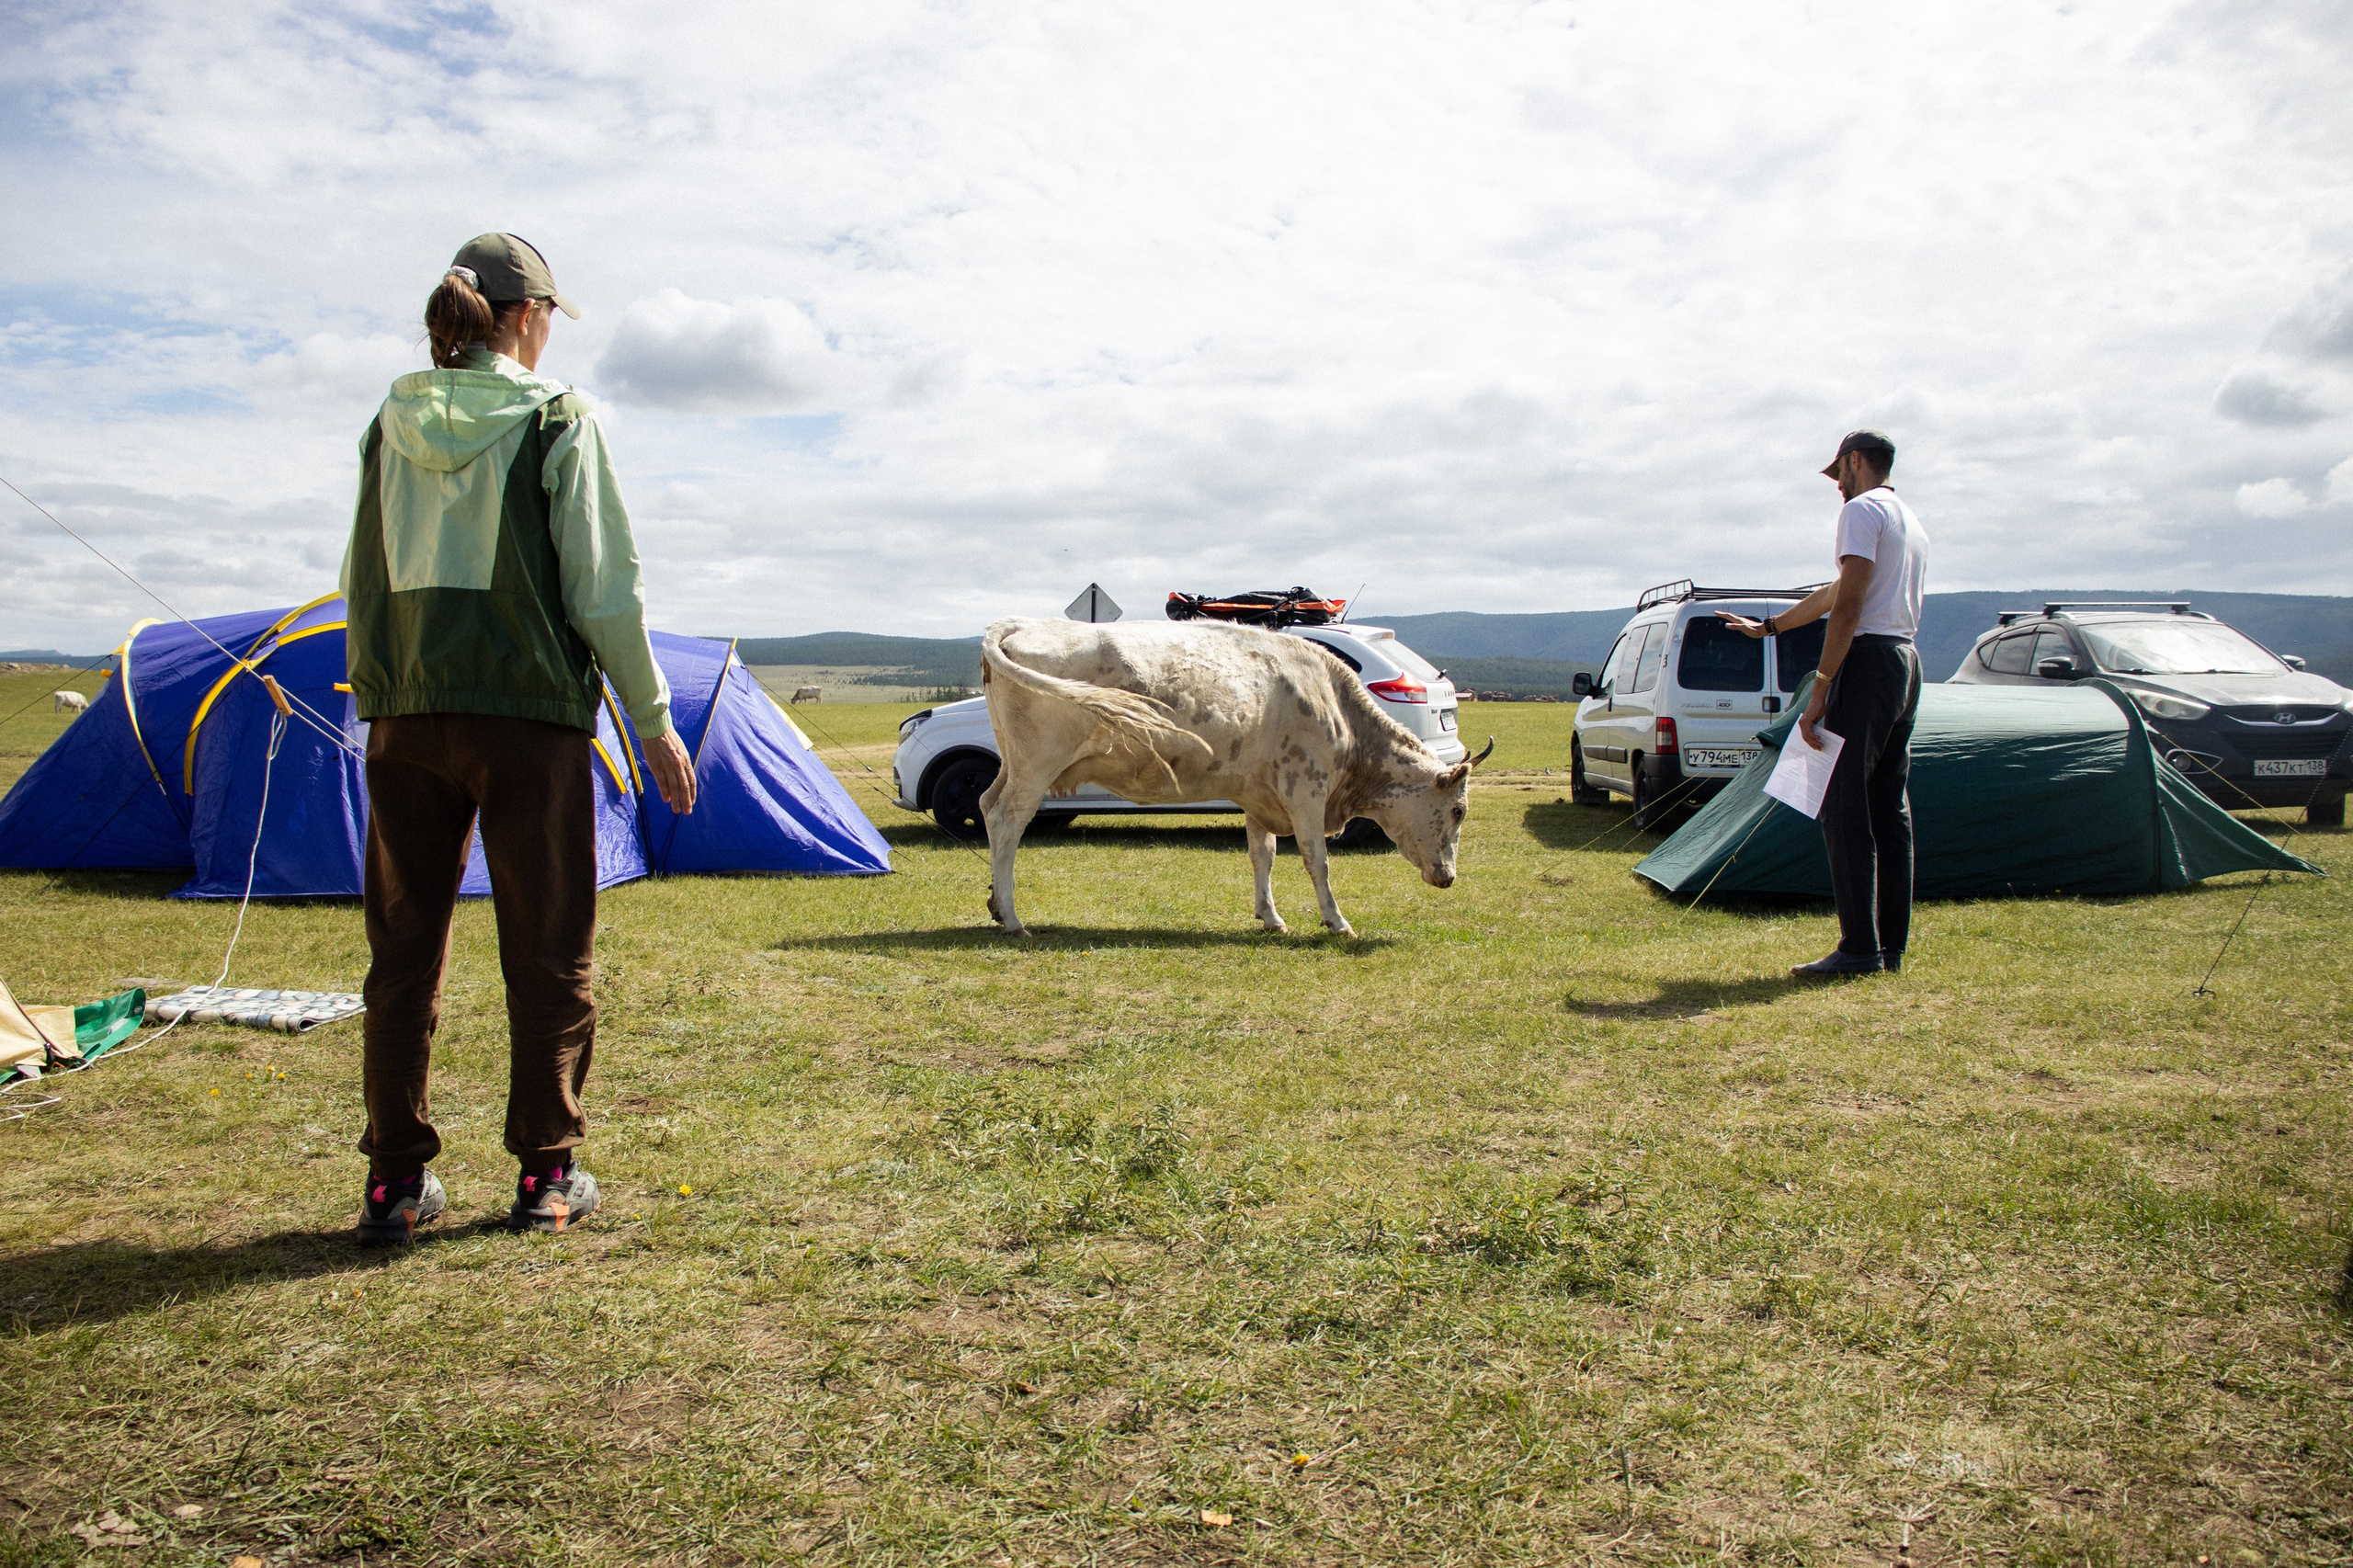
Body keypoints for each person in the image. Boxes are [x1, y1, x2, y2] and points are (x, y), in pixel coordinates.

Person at [344, 233, 696, 1243]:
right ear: (528, 316)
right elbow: (602, 589)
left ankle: (394, 1182)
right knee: (547, 942)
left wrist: (384, 692)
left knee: (402, 950)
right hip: (529, 720)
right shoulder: (557, 418)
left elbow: (360, 568)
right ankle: (546, 1172)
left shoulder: (388, 418)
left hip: (406, 715)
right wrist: (653, 720)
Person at [1720, 429, 1927, 977]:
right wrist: (1770, 627)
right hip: (1906, 662)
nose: (1837, 487)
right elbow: (1836, 590)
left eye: (1839, 474)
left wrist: (1820, 690)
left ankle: (1858, 949)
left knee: (1843, 807)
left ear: (1856, 462)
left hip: (1868, 666)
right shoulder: (1908, 519)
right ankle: (1889, 949)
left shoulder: (1860, 511)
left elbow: (1850, 604)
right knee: (1889, 808)